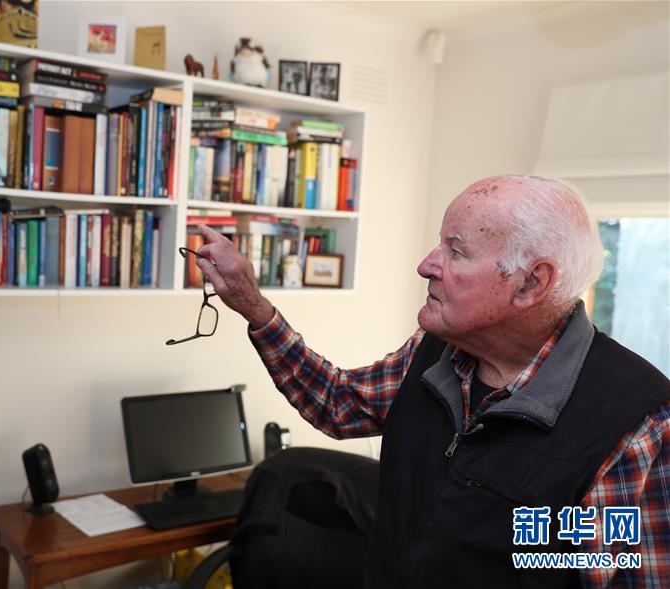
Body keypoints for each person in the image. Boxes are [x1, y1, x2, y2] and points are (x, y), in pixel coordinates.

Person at [193, 175, 669, 588]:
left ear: (531, 283)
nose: (426, 265)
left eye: (455, 251)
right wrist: (255, 308)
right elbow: (338, 404)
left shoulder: (636, 424)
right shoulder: (436, 351)